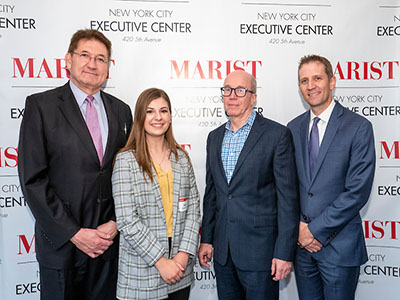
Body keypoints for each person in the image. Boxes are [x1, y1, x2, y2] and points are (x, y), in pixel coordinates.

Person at [18, 29, 133, 300]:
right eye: (85, 55)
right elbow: (33, 180)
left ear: (108, 68)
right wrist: (74, 233)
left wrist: (116, 223)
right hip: (61, 248)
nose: (92, 63)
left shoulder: (122, 111)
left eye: (101, 58)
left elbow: (130, 176)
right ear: (68, 60)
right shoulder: (41, 106)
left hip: (107, 247)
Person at [198, 70, 299, 300]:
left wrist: (284, 252)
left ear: (253, 97)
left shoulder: (277, 135)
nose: (232, 96)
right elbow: (212, 194)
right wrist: (207, 239)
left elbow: (287, 200)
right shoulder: (214, 137)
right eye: (227, 90)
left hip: (261, 254)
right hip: (223, 254)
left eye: (240, 90)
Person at [287, 55, 376, 300]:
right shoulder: (292, 129)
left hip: (340, 248)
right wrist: (299, 230)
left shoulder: (358, 127)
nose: (311, 85)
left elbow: (357, 191)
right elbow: (287, 187)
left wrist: (314, 231)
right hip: (303, 250)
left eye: (317, 78)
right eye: (304, 80)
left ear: (332, 81)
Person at [112, 88, 201, 300]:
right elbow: (126, 221)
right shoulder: (126, 161)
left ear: (170, 117)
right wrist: (161, 262)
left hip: (180, 269)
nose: (158, 117)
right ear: (140, 117)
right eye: (150, 111)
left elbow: (193, 209)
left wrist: (182, 255)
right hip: (142, 271)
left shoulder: (181, 158)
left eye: (164, 111)